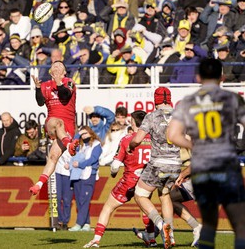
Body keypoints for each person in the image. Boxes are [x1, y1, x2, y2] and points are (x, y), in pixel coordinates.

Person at [167, 58, 245, 249]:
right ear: (222, 77)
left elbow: (172, 134)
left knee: (209, 224)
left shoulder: (188, 102)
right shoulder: (233, 98)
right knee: (240, 225)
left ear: (198, 77)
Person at [83, 110, 149, 247]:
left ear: (132, 122)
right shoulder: (153, 139)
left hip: (129, 181)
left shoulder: (126, 139)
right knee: (146, 208)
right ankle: (152, 238)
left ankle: (96, 239)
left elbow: (115, 166)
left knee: (108, 207)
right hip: (146, 180)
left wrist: (113, 174)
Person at [129, 87, 182, 249]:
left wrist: (131, 146)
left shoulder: (151, 116)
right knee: (164, 195)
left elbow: (137, 139)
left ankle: (161, 225)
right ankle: (170, 235)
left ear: (155, 100)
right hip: (176, 162)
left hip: (158, 162)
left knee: (140, 195)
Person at [29, 61, 79, 195]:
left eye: (60, 67)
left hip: (68, 127)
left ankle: (39, 184)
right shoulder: (45, 85)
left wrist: (58, 82)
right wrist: (38, 88)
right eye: (54, 66)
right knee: (57, 123)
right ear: (50, 71)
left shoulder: (69, 82)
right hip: (53, 122)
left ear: (64, 72)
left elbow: (65, 95)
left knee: (53, 156)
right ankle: (69, 145)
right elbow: (40, 102)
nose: (56, 68)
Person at [68, 126, 102, 232]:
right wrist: (78, 134)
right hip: (78, 175)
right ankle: (86, 223)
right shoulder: (81, 145)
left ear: (91, 133)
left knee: (84, 199)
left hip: (89, 174)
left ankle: (79, 223)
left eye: (86, 133)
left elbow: (93, 159)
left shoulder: (96, 144)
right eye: (82, 134)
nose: (84, 136)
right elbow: (73, 145)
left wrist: (80, 164)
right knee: (79, 200)